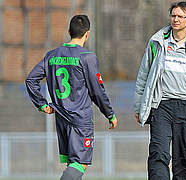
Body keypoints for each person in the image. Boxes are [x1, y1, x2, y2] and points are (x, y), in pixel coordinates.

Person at [25, 15, 118, 180]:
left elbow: (31, 79)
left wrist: (41, 104)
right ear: (87, 34)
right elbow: (97, 91)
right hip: (80, 118)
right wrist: (109, 114)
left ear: (69, 31)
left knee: (73, 164)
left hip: (61, 118)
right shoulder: (87, 57)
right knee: (80, 163)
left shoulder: (51, 56)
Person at [134, 1, 186, 180]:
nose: (176, 19)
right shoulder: (156, 42)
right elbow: (143, 75)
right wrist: (138, 106)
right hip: (162, 106)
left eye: (181, 16)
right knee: (158, 154)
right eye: (173, 15)